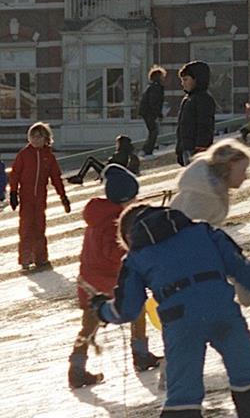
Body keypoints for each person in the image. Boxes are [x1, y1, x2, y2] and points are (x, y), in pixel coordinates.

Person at [91, 204, 250, 418]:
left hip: (180, 322)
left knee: (183, 397)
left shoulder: (136, 257)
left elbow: (126, 310)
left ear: (129, 235)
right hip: (222, 310)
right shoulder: (204, 231)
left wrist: (102, 310)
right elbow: (240, 265)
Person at [69, 164, 161, 388]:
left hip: (92, 281)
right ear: (124, 197)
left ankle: (77, 368)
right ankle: (139, 354)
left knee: (90, 327)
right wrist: (134, 247)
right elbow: (113, 253)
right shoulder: (113, 222)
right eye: (133, 198)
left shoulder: (102, 215)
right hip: (106, 283)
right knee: (134, 310)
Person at [9, 123, 70, 272]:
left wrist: (63, 196)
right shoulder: (24, 154)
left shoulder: (48, 157)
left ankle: (40, 257)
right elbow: (15, 173)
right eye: (32, 137)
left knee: (39, 226)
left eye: (38, 137)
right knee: (26, 227)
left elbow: (56, 177)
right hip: (26, 197)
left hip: (41, 198)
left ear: (46, 139)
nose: (35, 140)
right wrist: (13, 192)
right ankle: (25, 257)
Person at [170, 139, 250, 227]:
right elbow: (190, 234)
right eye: (243, 170)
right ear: (230, 165)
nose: (245, 177)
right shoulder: (202, 197)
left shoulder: (210, 189)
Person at [176, 61, 216, 167]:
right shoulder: (188, 99)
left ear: (196, 80)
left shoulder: (203, 99)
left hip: (197, 148)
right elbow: (182, 126)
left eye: (185, 79)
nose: (182, 83)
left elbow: (205, 124)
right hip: (187, 147)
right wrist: (180, 148)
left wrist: (202, 146)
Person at [67, 135, 141, 184]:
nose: (116, 145)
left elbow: (110, 165)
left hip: (111, 174)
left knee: (90, 160)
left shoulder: (121, 154)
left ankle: (80, 177)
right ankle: (79, 177)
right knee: (91, 160)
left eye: (118, 143)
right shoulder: (129, 154)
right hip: (114, 173)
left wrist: (101, 176)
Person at [139, 66, 166, 157]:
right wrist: (158, 113)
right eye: (162, 76)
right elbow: (154, 102)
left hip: (147, 112)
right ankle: (147, 151)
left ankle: (146, 150)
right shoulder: (156, 87)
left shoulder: (151, 87)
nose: (163, 78)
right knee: (154, 131)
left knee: (153, 131)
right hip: (149, 112)